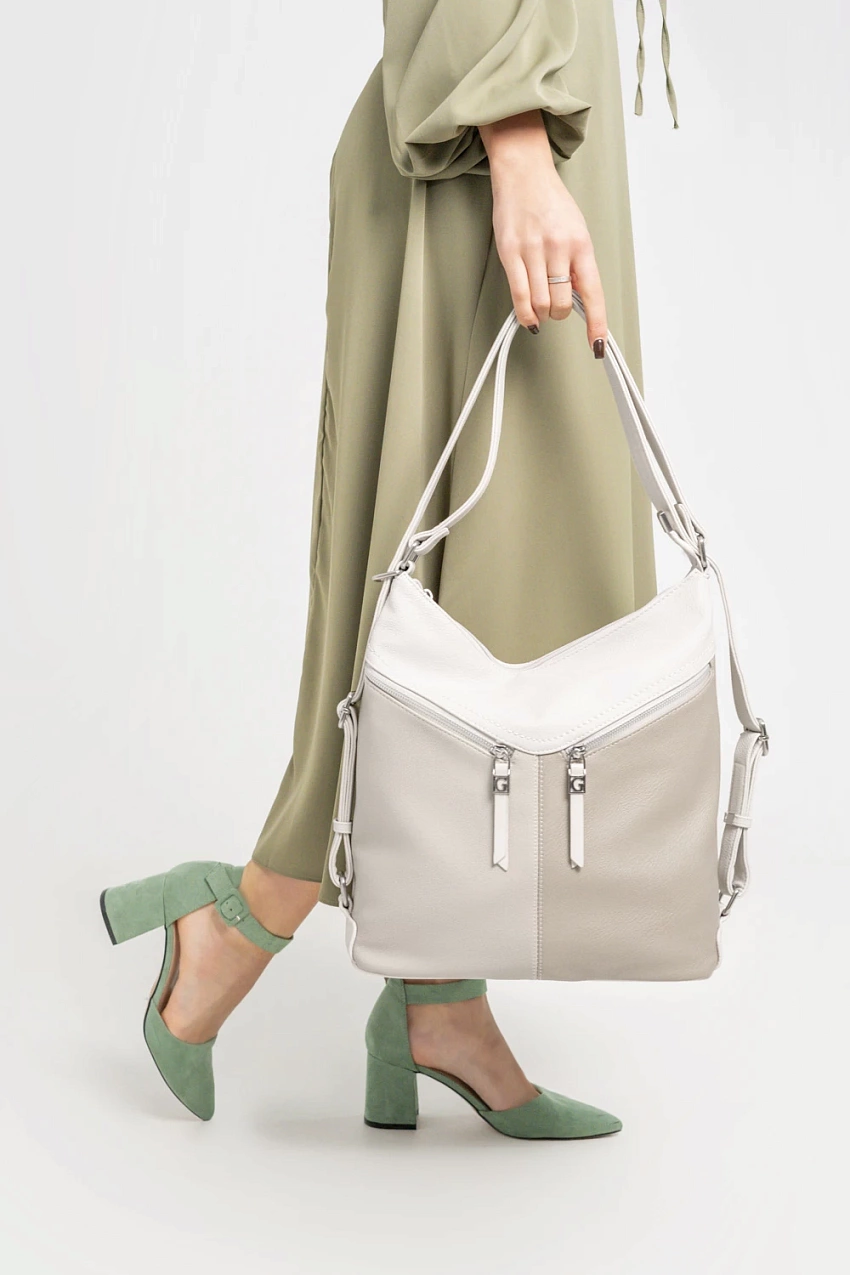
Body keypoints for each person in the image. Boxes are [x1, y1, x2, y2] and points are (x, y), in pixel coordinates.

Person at [101, 0, 678, 1138]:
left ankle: (439, 999)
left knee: (501, 617)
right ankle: (246, 914)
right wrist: (515, 139)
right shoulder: (507, 140)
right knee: (425, 610)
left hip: (524, 130)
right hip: (483, 153)